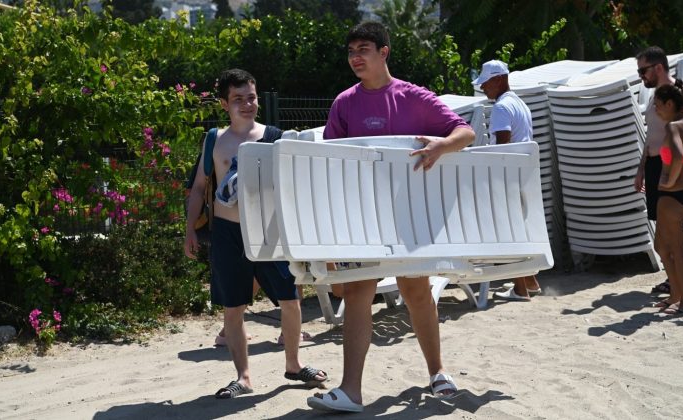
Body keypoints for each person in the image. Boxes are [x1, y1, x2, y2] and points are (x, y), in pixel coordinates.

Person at [306, 22, 475, 413]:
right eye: (351, 50)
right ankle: (351, 391)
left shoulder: (413, 96)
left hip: (408, 217)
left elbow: (465, 132)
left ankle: (438, 373)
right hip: (363, 216)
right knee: (357, 290)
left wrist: (444, 145)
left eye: (363, 48)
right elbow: (332, 163)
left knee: (416, 292)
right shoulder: (344, 102)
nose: (355, 57)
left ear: (384, 52)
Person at [184, 68, 327, 399]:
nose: (247, 104)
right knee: (233, 308)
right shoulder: (214, 140)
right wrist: (189, 229)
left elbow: (296, 186)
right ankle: (243, 377)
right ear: (224, 104)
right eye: (238, 99)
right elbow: (199, 189)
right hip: (227, 234)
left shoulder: (275, 136)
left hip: (269, 233)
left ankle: (294, 365)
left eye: (251, 97)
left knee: (291, 301)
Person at [474, 59, 542, 301]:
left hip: (508, 177)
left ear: (499, 79)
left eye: (486, 83)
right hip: (523, 175)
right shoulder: (520, 103)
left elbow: (502, 148)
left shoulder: (502, 108)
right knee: (519, 231)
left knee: (509, 232)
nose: (483, 88)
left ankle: (521, 289)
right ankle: (530, 282)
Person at [633, 46, 683, 297]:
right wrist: (641, 169)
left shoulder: (681, 95)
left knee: (673, 239)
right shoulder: (655, 97)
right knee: (661, 237)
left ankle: (680, 292)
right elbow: (651, 137)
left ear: (658, 67)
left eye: (643, 70)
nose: (641, 77)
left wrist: (681, 173)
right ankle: (674, 285)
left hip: (670, 167)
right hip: (654, 165)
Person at [651, 82, 683, 315]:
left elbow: (678, 156)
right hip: (680, 195)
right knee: (661, 247)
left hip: (672, 196)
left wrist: (669, 182)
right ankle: (676, 295)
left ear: (670, 104)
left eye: (658, 105)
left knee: (678, 251)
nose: (656, 109)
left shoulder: (673, 127)